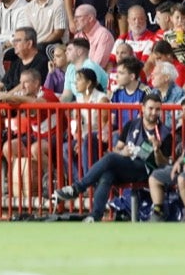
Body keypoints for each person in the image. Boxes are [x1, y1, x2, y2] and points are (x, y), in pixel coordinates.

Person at [54, 92, 171, 222]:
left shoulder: (164, 132)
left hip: (146, 169)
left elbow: (164, 163)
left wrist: (156, 151)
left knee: (110, 158)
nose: (154, 112)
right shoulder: (131, 125)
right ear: (143, 108)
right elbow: (117, 148)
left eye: (157, 109)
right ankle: (94, 216)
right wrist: (123, 152)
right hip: (127, 164)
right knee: (107, 174)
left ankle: (77, 188)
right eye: (150, 108)